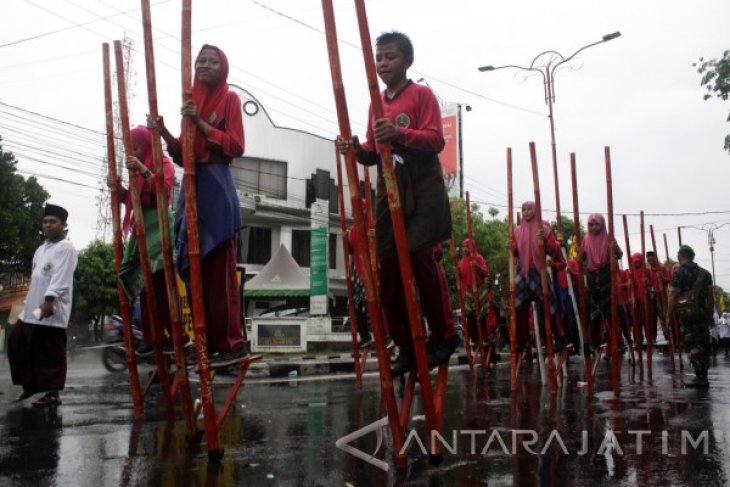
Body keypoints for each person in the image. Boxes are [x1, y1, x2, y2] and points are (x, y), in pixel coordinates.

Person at [337, 31, 456, 375]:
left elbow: (435, 140)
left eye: (390, 57)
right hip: (388, 188)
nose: (384, 63)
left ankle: (445, 334)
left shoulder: (422, 95)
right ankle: (404, 344)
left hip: (422, 182)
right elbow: (373, 154)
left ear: (407, 61)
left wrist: (400, 133)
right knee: (387, 267)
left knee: (420, 257)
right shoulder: (376, 103)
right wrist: (356, 149)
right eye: (379, 58)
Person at [156, 44, 245, 363]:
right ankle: (204, 339)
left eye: (212, 60)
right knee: (193, 268)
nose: (205, 65)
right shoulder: (190, 102)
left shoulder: (230, 99)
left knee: (219, 271)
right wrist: (165, 131)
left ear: (223, 67)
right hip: (192, 188)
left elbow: (236, 145)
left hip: (216, 188)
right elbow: (183, 154)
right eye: (200, 60)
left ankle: (228, 341)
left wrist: (202, 123)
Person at [114, 125, 178, 356]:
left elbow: (162, 190)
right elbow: (134, 200)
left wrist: (142, 169)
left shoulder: (163, 164)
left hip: (159, 227)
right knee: (144, 287)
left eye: (135, 146)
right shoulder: (136, 174)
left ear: (144, 144)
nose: (133, 151)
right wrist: (119, 190)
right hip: (142, 229)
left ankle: (175, 336)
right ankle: (152, 338)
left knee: (161, 288)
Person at [7, 204, 78, 406]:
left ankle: (53, 394)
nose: (48, 225)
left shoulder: (66, 248)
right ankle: (30, 385)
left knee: (50, 351)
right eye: (45, 221)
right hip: (33, 308)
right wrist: (27, 305)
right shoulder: (41, 249)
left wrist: (49, 301)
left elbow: (61, 278)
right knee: (17, 341)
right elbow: (36, 278)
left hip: (51, 308)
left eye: (53, 222)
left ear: (64, 225)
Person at [510, 201, 566, 357]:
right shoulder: (517, 231)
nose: (526, 212)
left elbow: (555, 252)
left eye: (529, 209)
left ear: (535, 211)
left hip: (538, 271)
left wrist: (546, 240)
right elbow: (515, 253)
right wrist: (511, 248)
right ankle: (522, 339)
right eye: (524, 209)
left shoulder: (544, 229)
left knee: (550, 305)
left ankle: (559, 337)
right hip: (522, 272)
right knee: (518, 307)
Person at [666, 245, 714, 387]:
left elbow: (672, 295)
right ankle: (703, 377)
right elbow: (711, 298)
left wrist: (668, 315)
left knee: (692, 344)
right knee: (703, 343)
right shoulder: (705, 274)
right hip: (703, 314)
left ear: (680, 256)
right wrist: (710, 315)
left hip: (687, 315)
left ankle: (700, 378)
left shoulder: (679, 273)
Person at [581, 214, 622, 355]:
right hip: (592, 276)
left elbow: (620, 254)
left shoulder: (609, 238)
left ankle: (618, 340)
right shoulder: (585, 240)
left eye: (596, 224)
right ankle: (595, 340)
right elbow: (581, 257)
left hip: (606, 275)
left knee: (611, 310)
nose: (593, 227)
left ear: (602, 225)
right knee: (593, 310)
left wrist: (615, 248)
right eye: (591, 225)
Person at [458, 238, 490, 347]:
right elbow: (461, 280)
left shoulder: (478, 258)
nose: (464, 249)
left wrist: (477, 267)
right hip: (468, 292)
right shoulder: (461, 262)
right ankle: (475, 338)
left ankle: (486, 336)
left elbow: (485, 273)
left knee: (481, 315)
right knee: (470, 315)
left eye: (467, 246)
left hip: (479, 289)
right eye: (463, 247)